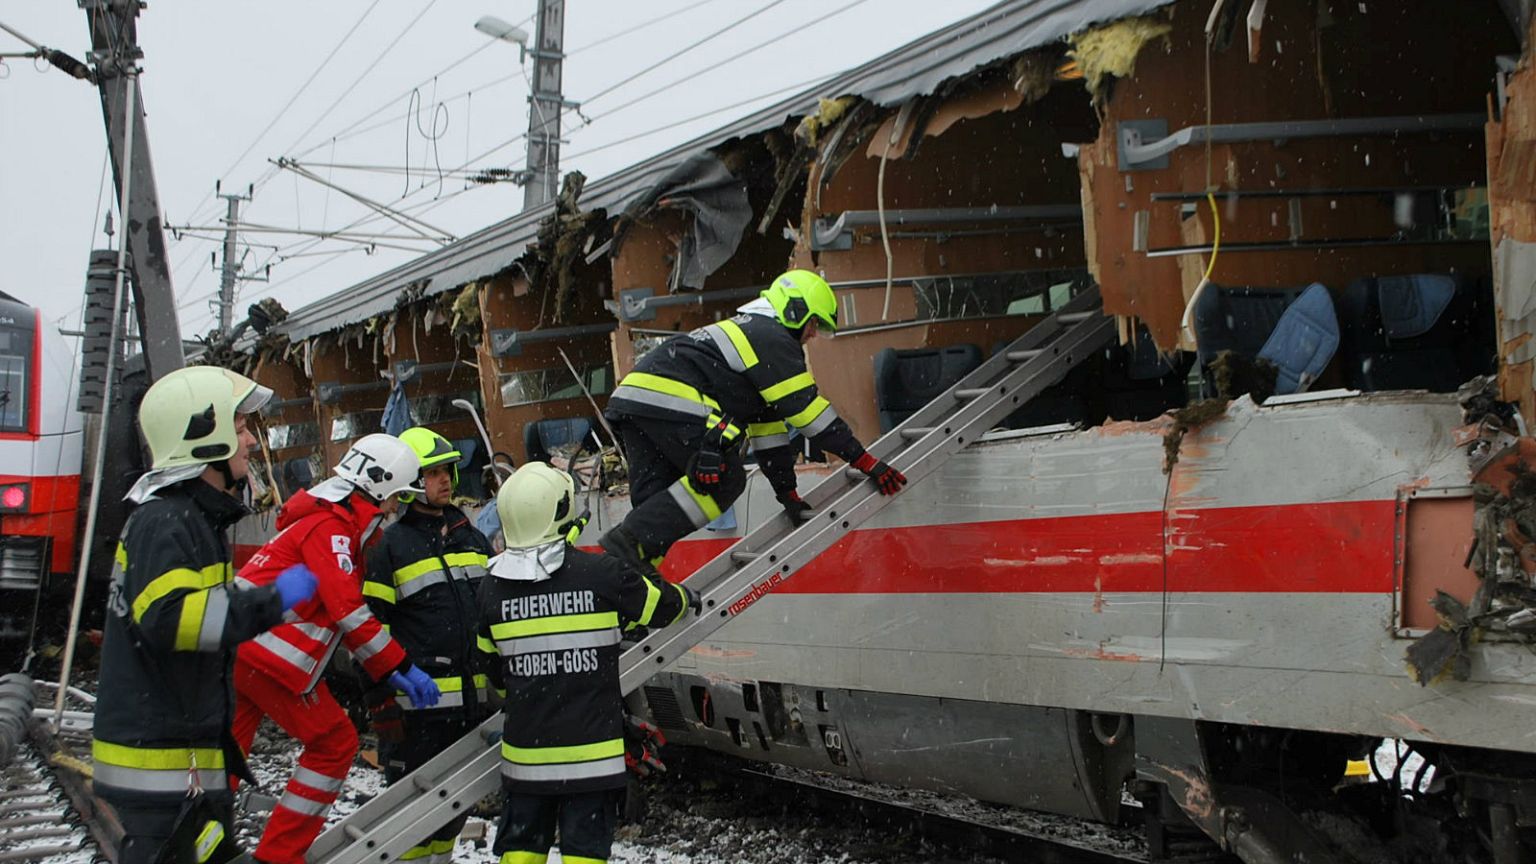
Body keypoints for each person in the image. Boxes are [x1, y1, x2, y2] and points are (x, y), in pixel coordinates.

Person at [94, 366, 318, 864]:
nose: (250, 444)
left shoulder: (187, 518)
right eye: (239, 429)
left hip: (179, 763)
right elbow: (175, 620)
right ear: (203, 435)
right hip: (162, 768)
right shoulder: (167, 521)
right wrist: (273, 599)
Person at [599, 269, 908, 572]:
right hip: (670, 398)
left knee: (656, 505)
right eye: (814, 323)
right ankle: (627, 547)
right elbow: (809, 413)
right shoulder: (771, 337)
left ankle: (627, 574)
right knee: (723, 478)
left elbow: (769, 432)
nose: (813, 334)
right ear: (795, 309)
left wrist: (787, 494)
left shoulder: (754, 340)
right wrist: (866, 461)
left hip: (636, 401)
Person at [230, 433, 442, 864]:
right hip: (269, 659)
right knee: (335, 741)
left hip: (238, 652)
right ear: (379, 487)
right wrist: (401, 664)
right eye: (396, 497)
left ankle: (194, 839)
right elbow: (348, 611)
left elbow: (335, 615)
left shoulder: (327, 521)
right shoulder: (333, 530)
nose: (394, 509)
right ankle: (278, 855)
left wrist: (385, 669)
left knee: (226, 753)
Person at [478, 463, 697, 864]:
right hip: (591, 760)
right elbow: (661, 607)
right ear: (560, 514)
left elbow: (493, 672)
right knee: (585, 855)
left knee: (521, 853)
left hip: (527, 759)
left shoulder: (490, 589)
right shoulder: (601, 574)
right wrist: (686, 598)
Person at [362, 426, 494, 864]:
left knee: (451, 816)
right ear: (411, 482)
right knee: (411, 821)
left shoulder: (470, 537)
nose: (446, 481)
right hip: (416, 715)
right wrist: (382, 704)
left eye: (449, 471)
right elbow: (368, 632)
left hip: (470, 708)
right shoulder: (390, 547)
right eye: (434, 473)